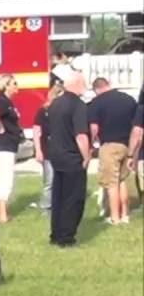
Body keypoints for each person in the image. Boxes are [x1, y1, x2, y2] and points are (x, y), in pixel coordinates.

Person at [44, 71, 93, 247]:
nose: (85, 86)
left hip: (57, 156)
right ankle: (66, 237)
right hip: (72, 157)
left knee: (58, 197)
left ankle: (55, 234)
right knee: (73, 199)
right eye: (84, 83)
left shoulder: (55, 103)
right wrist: (86, 156)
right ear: (77, 84)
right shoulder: (78, 105)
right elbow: (81, 135)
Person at [88, 77, 138, 225]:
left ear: (96, 90)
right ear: (108, 85)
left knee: (111, 183)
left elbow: (94, 128)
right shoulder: (129, 100)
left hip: (109, 146)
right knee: (122, 180)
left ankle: (114, 218)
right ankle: (125, 214)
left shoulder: (97, 102)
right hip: (126, 145)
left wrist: (92, 144)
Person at [0, 74, 23, 223]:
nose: (16, 86)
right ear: (6, 85)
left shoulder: (7, 102)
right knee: (5, 178)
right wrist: (1, 126)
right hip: (5, 144)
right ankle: (3, 215)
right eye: (14, 83)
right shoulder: (1, 100)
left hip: (4, 145)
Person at [32, 83, 64, 214]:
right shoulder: (43, 111)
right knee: (50, 180)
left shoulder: (64, 111)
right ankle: (46, 206)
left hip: (62, 149)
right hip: (48, 148)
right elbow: (36, 131)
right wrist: (38, 150)